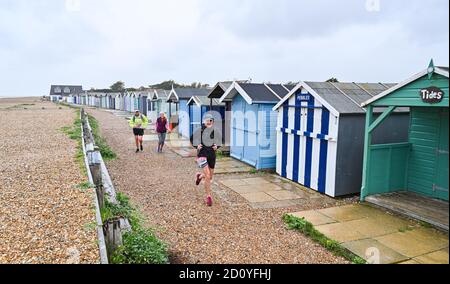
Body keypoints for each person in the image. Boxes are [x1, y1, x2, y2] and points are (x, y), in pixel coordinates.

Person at [191, 114, 222, 207]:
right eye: (207, 120)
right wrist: (197, 146)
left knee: (210, 176)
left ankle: (199, 176)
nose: (208, 122)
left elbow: (220, 140)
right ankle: (208, 196)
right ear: (204, 121)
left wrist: (217, 146)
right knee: (208, 176)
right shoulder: (199, 130)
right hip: (202, 155)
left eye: (210, 121)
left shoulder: (216, 131)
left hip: (212, 155)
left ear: (212, 122)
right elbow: (192, 138)